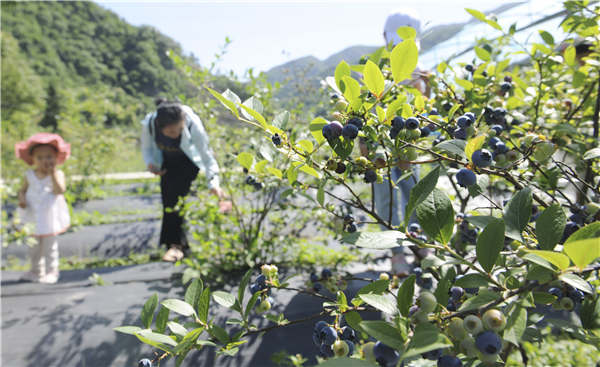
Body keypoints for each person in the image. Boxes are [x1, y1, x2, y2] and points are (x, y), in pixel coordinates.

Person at [372, 9, 431, 276]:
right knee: (391, 198)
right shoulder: (376, 68)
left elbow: (421, 109)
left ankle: (417, 243)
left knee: (411, 193)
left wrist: (426, 87)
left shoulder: (416, 69)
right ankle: (398, 253)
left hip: (406, 142)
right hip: (382, 144)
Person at [141, 99, 231, 262]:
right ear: (160, 129)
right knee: (168, 200)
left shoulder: (193, 124)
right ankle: (177, 245)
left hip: (189, 162)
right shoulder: (150, 124)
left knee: (176, 198)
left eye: (179, 130)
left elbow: (207, 156)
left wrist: (214, 183)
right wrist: (151, 164)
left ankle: (175, 246)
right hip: (167, 161)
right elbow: (146, 148)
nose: (176, 135)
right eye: (171, 133)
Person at [15, 132, 71, 284]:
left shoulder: (57, 174)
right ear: (32, 159)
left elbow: (60, 190)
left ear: (56, 158)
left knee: (49, 247)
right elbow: (22, 190)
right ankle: (35, 270)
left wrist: (52, 174)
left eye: (49, 157)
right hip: (33, 216)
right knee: (33, 247)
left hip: (49, 217)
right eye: (40, 158)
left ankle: (52, 270)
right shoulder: (30, 175)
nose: (45, 161)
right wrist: (21, 199)